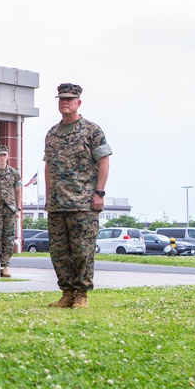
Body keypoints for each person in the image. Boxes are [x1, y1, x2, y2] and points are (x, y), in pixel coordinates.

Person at [44, 83, 111, 309]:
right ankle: (67, 293)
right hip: (57, 203)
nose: (65, 102)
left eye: (69, 99)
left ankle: (81, 294)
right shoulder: (52, 133)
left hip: (83, 202)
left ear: (78, 103)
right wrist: (48, 196)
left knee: (82, 251)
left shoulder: (92, 130)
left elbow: (103, 161)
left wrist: (99, 193)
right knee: (59, 252)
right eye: (61, 99)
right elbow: (48, 166)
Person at [0, 145, 22, 277]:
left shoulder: (14, 173)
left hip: (9, 209)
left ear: (8, 156)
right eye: (0, 155)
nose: (2, 157)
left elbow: (18, 191)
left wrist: (18, 208)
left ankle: (5, 266)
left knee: (8, 238)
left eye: (4, 155)